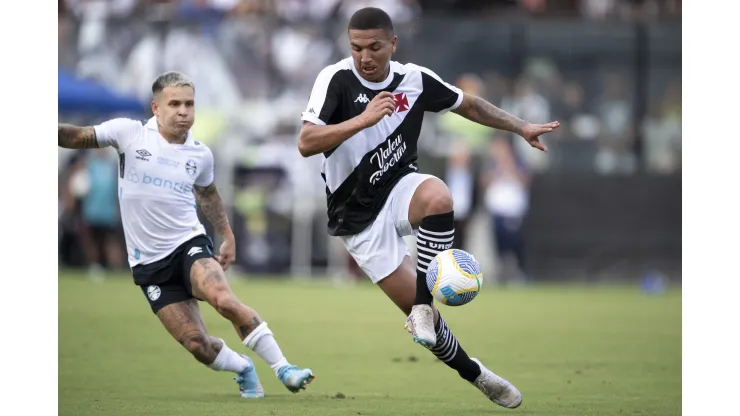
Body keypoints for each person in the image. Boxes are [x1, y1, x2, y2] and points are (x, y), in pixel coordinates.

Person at [298, 7, 559, 409]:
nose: (364, 57)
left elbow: (467, 104)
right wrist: (363, 120)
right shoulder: (336, 79)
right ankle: (476, 374)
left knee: (439, 196)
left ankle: (424, 305)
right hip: (355, 219)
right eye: (355, 47)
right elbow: (306, 142)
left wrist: (519, 126)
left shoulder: (414, 79)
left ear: (393, 44)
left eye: (374, 47)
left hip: (400, 186)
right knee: (434, 331)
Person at [58, 71, 314, 399]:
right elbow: (78, 136)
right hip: (149, 264)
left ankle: (284, 368)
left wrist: (227, 234)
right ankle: (242, 367)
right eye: (175, 103)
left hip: (188, 244)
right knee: (197, 344)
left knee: (223, 299)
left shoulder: (200, 154)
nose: (183, 111)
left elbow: (208, 194)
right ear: (156, 108)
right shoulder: (129, 134)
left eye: (189, 104)